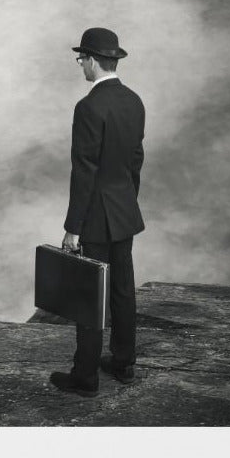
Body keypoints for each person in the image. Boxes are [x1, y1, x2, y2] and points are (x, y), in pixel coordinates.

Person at [50, 27, 145, 398]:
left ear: (91, 60)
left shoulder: (88, 106)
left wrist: (73, 227)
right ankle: (124, 363)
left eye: (81, 60)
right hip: (124, 211)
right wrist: (127, 200)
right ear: (114, 59)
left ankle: (85, 377)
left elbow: (84, 169)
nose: (81, 67)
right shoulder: (134, 100)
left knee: (91, 295)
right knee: (123, 288)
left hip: (96, 217)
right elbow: (136, 158)